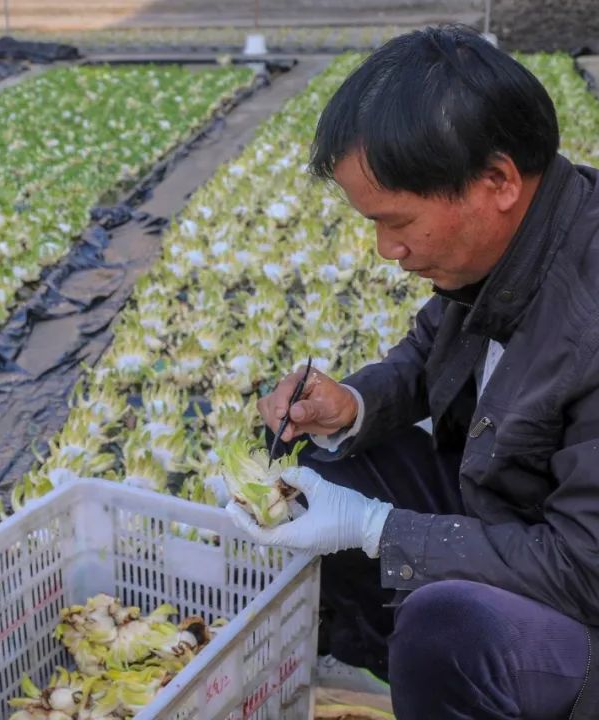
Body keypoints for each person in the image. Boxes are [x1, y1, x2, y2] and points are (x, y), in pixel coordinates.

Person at [229, 25, 599, 720]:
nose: (385, 249)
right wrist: (350, 405)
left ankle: (446, 675)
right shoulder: (522, 237)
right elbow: (433, 348)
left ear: (497, 181)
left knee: (450, 635)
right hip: (514, 517)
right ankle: (403, 680)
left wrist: (378, 528)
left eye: (397, 221)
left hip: (583, 598)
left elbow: (584, 567)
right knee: (316, 470)